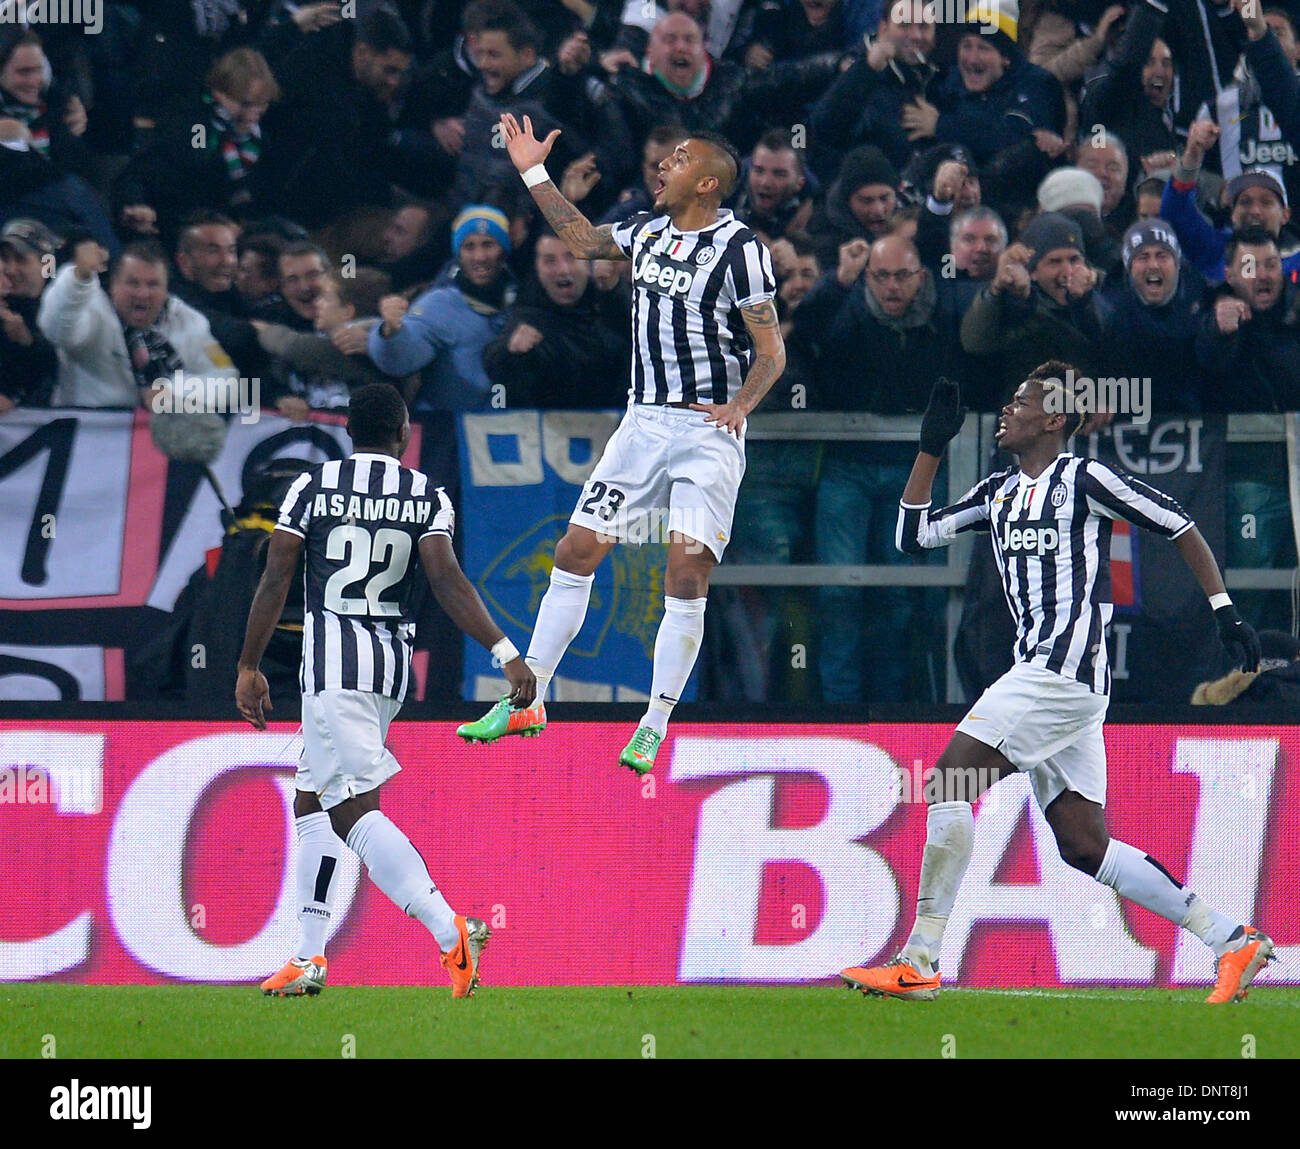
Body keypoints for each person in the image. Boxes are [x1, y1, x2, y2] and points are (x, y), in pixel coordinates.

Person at [841, 367, 1270, 1005]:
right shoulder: (999, 492)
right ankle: (1230, 940)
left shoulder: (1084, 480)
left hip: (1059, 675)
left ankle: (920, 960)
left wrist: (1224, 610)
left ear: (1056, 420)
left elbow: (1176, 521)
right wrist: (930, 448)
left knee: (949, 780)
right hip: (1054, 683)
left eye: (1022, 402)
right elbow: (913, 536)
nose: (1006, 411)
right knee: (1083, 845)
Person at [456, 113, 784, 774]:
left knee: (685, 570)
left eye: (681, 158)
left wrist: (739, 406)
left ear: (709, 183)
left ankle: (656, 720)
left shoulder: (741, 247)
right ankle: (529, 697)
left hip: (705, 433)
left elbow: (771, 350)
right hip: (641, 425)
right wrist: (532, 170)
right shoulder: (646, 231)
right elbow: (579, 236)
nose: (664, 163)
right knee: (576, 550)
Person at [236, 383, 536, 998]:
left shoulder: (311, 488)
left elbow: (275, 579)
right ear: (402, 436)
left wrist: (248, 665)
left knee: (352, 810)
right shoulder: (427, 495)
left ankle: (448, 929)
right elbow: (447, 579)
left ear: (349, 432)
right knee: (312, 800)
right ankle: (309, 956)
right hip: (390, 669)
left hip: (332, 670)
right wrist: (505, 653)